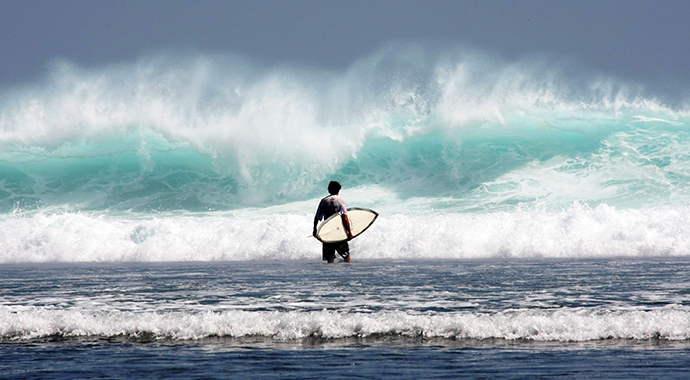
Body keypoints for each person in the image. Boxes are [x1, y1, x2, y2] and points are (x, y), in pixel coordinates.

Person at [313, 181, 354, 263]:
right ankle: (347, 273)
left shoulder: (323, 201)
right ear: (339, 190)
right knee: (346, 256)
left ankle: (330, 274)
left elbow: (317, 217)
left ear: (329, 190)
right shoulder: (341, 202)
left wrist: (315, 230)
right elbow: (344, 218)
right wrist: (349, 232)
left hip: (327, 232)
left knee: (330, 258)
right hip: (339, 232)